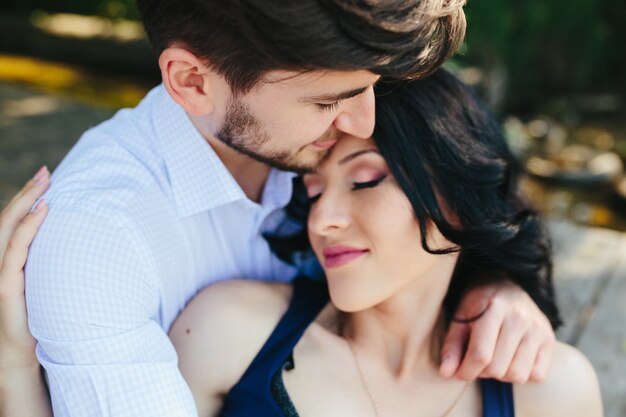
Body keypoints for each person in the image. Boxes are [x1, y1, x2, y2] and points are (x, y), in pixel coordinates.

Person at [0, 1, 557, 415]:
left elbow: (449, 177)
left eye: (371, 87)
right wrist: (15, 375)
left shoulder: (307, 138)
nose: (363, 124)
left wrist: (491, 279)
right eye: (327, 102)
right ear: (193, 82)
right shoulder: (95, 243)